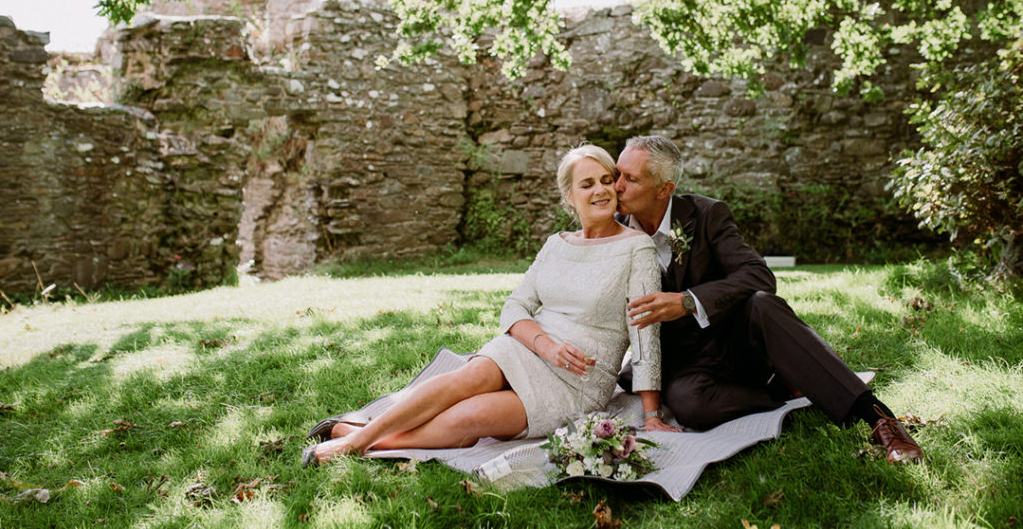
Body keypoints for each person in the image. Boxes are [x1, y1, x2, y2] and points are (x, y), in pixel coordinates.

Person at [304, 143, 680, 466]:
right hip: (530, 347)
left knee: (473, 415)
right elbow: (515, 307)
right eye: (587, 184)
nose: (601, 190)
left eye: (605, 180)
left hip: (577, 380)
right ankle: (354, 440)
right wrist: (544, 344)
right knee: (467, 378)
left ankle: (361, 440)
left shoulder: (636, 248)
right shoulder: (556, 244)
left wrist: (650, 413)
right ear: (570, 196)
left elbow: (645, 334)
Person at [614, 135, 923, 463]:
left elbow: (758, 275)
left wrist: (687, 301)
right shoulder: (613, 232)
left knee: (762, 303)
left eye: (630, 179)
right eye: (617, 173)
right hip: (684, 365)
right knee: (690, 407)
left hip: (734, 343)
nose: (616, 186)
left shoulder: (706, 214)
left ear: (664, 189)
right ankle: (780, 389)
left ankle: (880, 418)